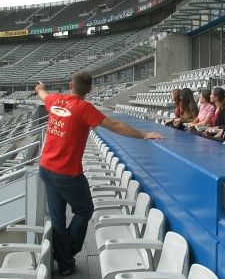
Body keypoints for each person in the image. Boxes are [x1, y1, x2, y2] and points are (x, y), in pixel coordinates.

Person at [35, 71, 163, 276]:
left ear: (70, 85)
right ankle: (67, 254)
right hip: (67, 174)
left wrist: (40, 87)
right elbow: (114, 125)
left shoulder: (55, 100)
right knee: (84, 210)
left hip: (46, 168)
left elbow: (43, 94)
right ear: (90, 90)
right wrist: (144, 134)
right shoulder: (84, 108)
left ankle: (65, 262)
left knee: (58, 217)